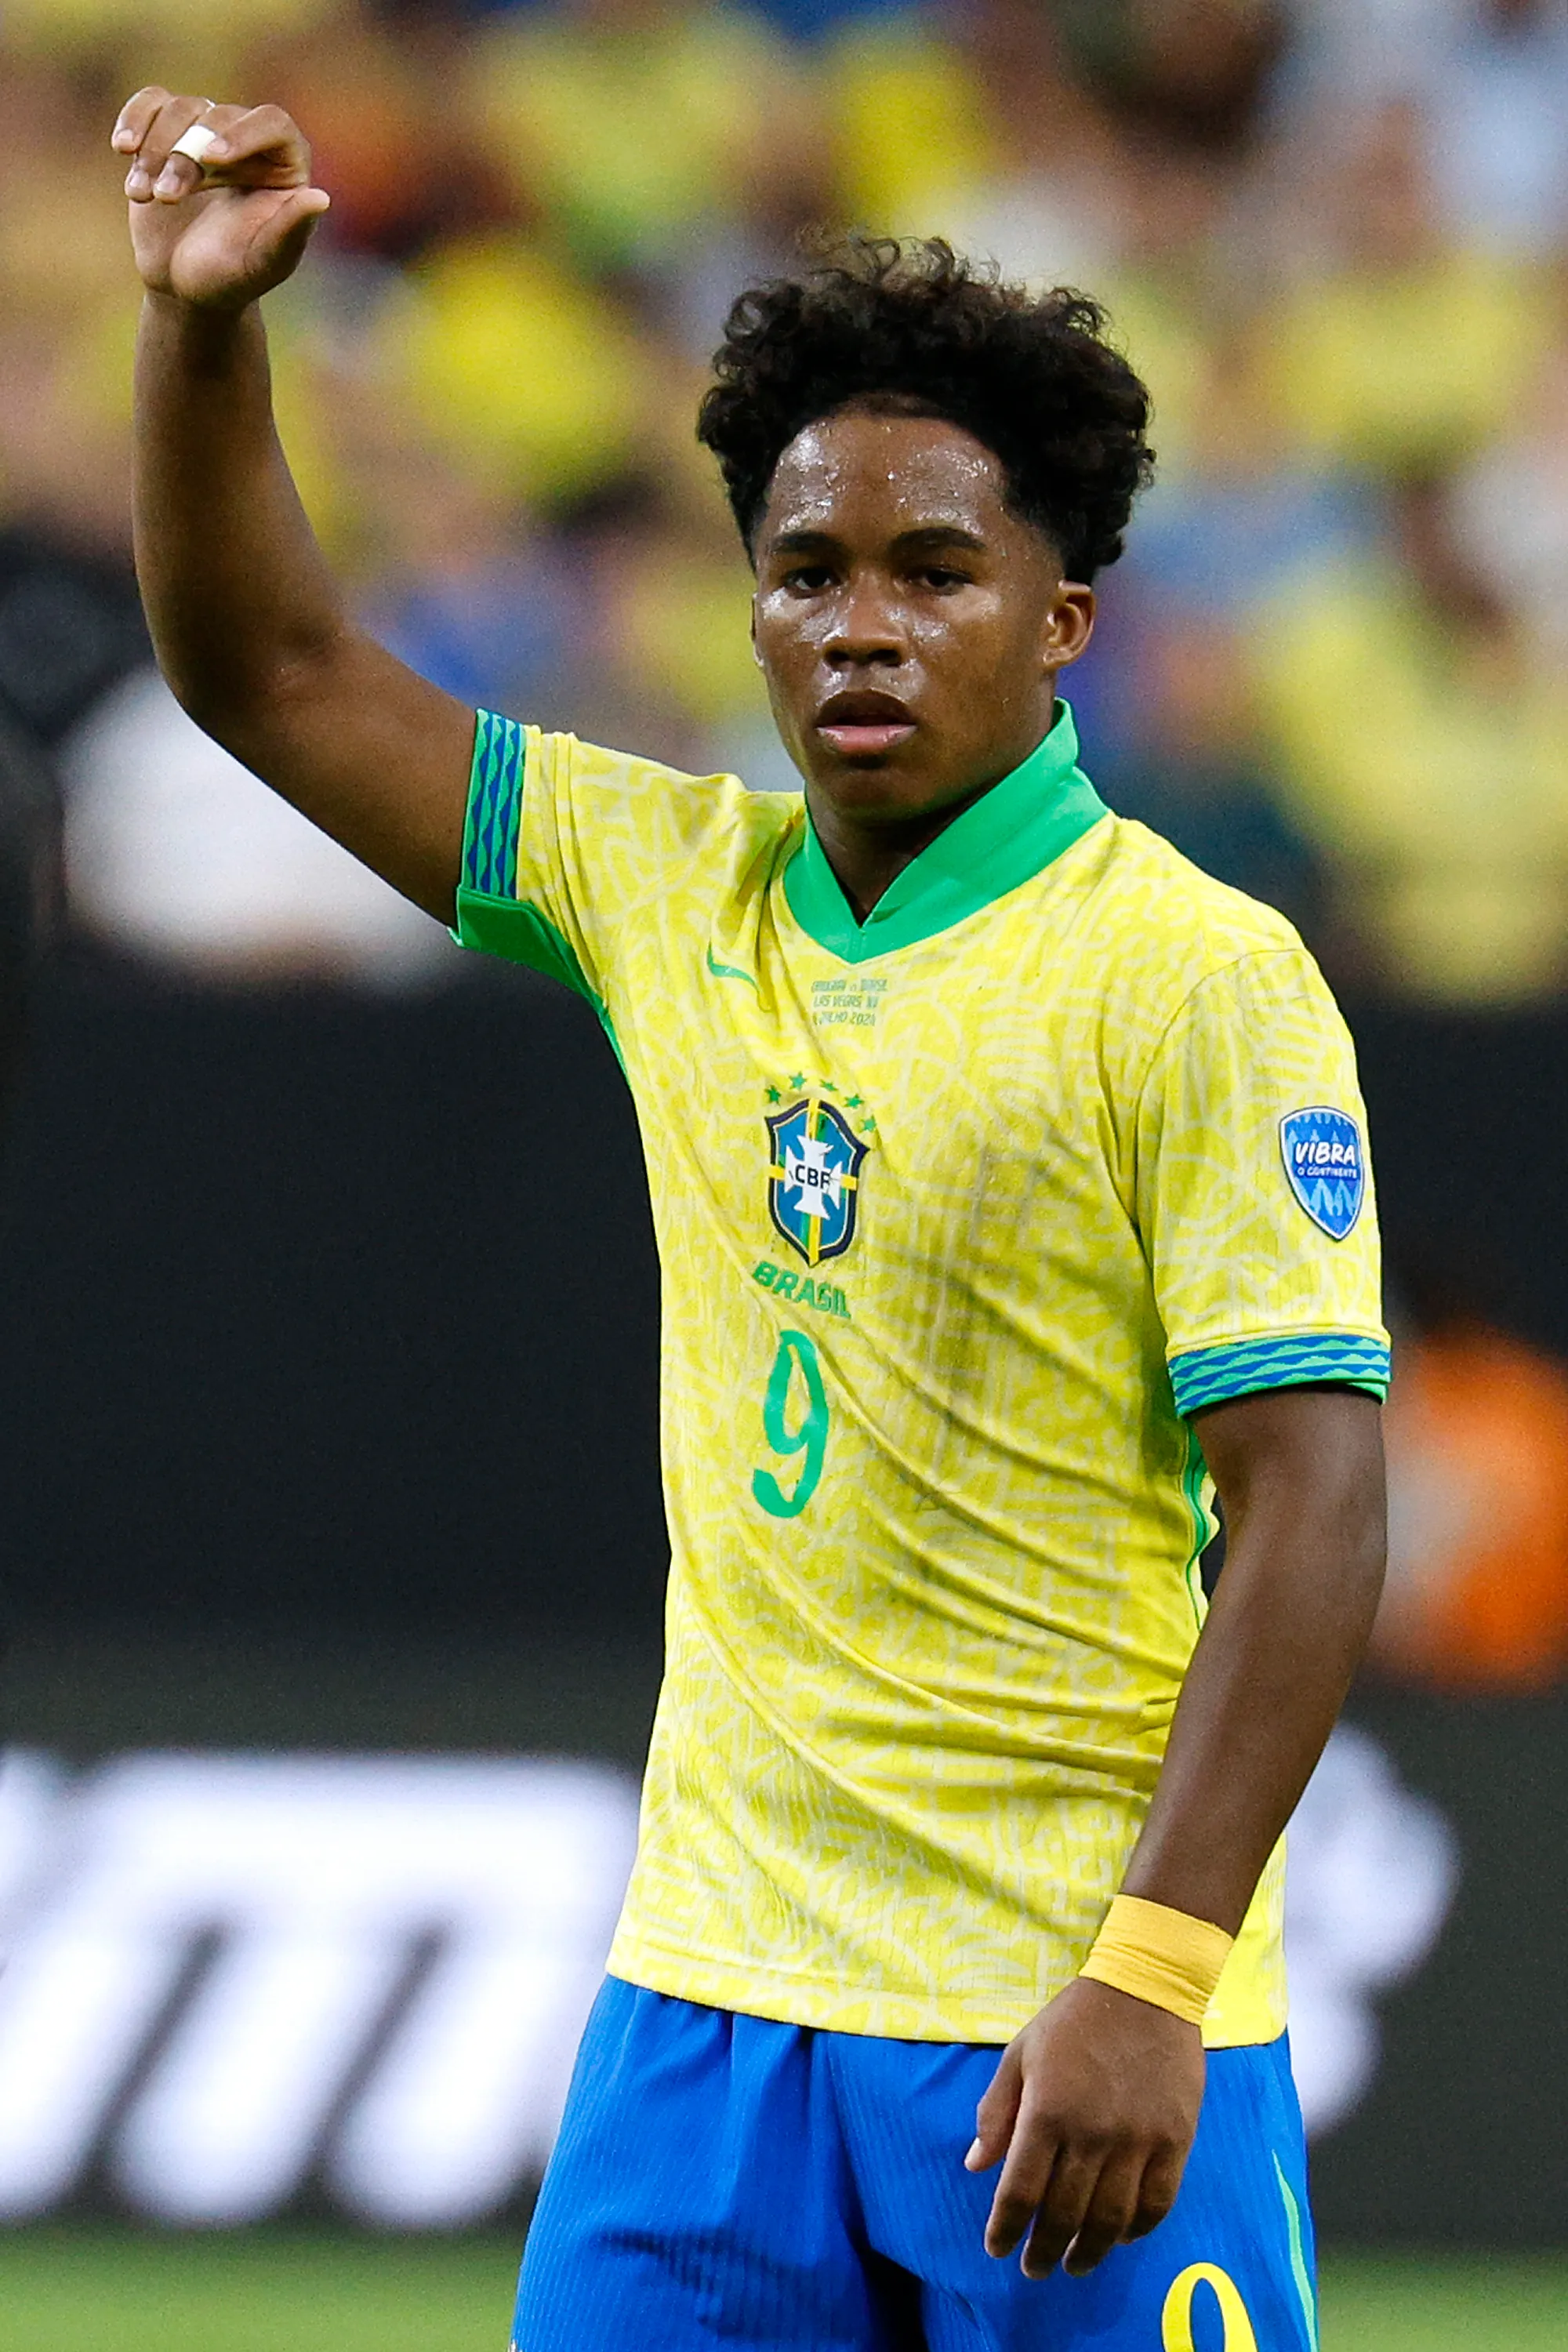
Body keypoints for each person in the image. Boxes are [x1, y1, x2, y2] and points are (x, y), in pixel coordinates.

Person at [113, 86, 1388, 2352]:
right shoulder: (667, 888)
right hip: (705, 2007)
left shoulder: (1194, 973)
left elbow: (1312, 1504)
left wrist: (1154, 1976)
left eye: (935, 570)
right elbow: (273, 673)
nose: (859, 628)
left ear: (1064, 615)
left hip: (1054, 2009)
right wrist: (202, 337)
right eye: (808, 572)